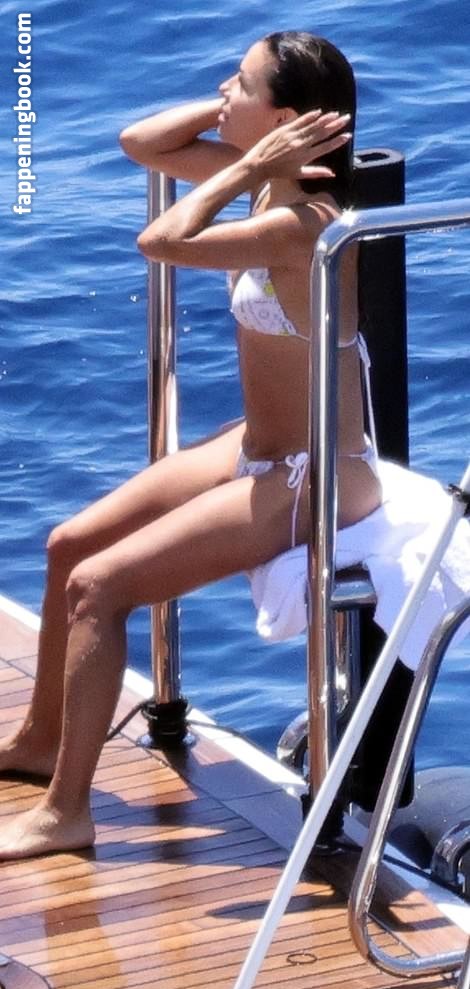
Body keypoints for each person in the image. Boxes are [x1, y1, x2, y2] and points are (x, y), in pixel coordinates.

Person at [0, 31, 382, 858]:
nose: (221, 89)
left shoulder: (302, 221)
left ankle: (67, 813)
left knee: (99, 587)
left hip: (315, 471)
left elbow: (160, 242)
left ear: (283, 120)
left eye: (238, 83)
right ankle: (39, 741)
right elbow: (139, 142)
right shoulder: (268, 181)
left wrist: (247, 164)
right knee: (68, 547)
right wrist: (243, 132)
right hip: (258, 443)